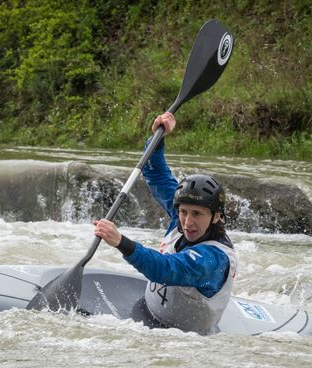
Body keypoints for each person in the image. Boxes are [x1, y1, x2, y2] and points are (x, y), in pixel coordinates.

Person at [93, 112, 236, 334]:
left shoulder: (213, 259)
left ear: (216, 216)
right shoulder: (180, 218)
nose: (188, 222)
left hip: (183, 341)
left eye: (197, 214)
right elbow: (156, 173)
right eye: (184, 212)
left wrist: (120, 241)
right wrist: (158, 139)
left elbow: (165, 269)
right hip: (144, 312)